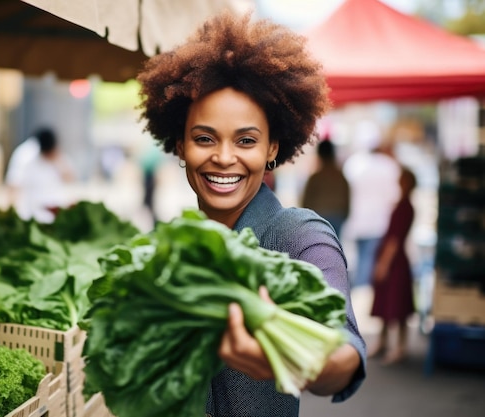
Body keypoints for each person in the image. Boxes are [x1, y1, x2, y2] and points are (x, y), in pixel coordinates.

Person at [136, 10, 366, 417]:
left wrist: (305, 362)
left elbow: (344, 349)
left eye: (246, 140)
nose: (224, 158)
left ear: (273, 148)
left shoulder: (300, 235)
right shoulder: (176, 249)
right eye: (204, 138)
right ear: (179, 145)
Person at [368, 166, 417, 365]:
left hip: (395, 261)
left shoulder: (405, 207)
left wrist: (383, 264)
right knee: (388, 303)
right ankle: (384, 342)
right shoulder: (402, 205)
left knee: (397, 305)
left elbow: (394, 240)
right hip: (395, 259)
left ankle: (400, 346)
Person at [343, 122, 401, 288]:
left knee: (361, 261)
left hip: (356, 222)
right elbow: (394, 196)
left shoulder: (352, 164)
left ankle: (360, 298)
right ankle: (363, 297)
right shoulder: (388, 166)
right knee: (369, 263)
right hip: (379, 223)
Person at [6, 127, 75, 223]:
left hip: (56, 217)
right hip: (33, 217)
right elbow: (13, 186)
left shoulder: (59, 157)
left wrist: (58, 161)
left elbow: (70, 179)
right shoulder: (25, 156)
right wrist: (12, 215)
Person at [301, 139, 350, 238]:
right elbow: (347, 197)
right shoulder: (340, 176)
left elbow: (306, 200)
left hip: (319, 216)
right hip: (337, 216)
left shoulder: (315, 177)